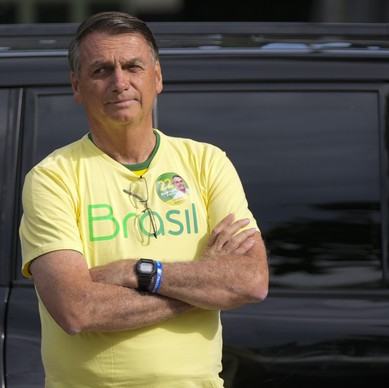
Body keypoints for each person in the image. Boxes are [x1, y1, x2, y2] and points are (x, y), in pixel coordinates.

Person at [19, 11, 269, 388]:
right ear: (76, 85)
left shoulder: (206, 162)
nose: (119, 82)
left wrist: (137, 271)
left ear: (157, 77)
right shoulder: (53, 178)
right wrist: (204, 287)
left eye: (133, 66)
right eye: (101, 70)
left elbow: (251, 280)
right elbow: (76, 309)